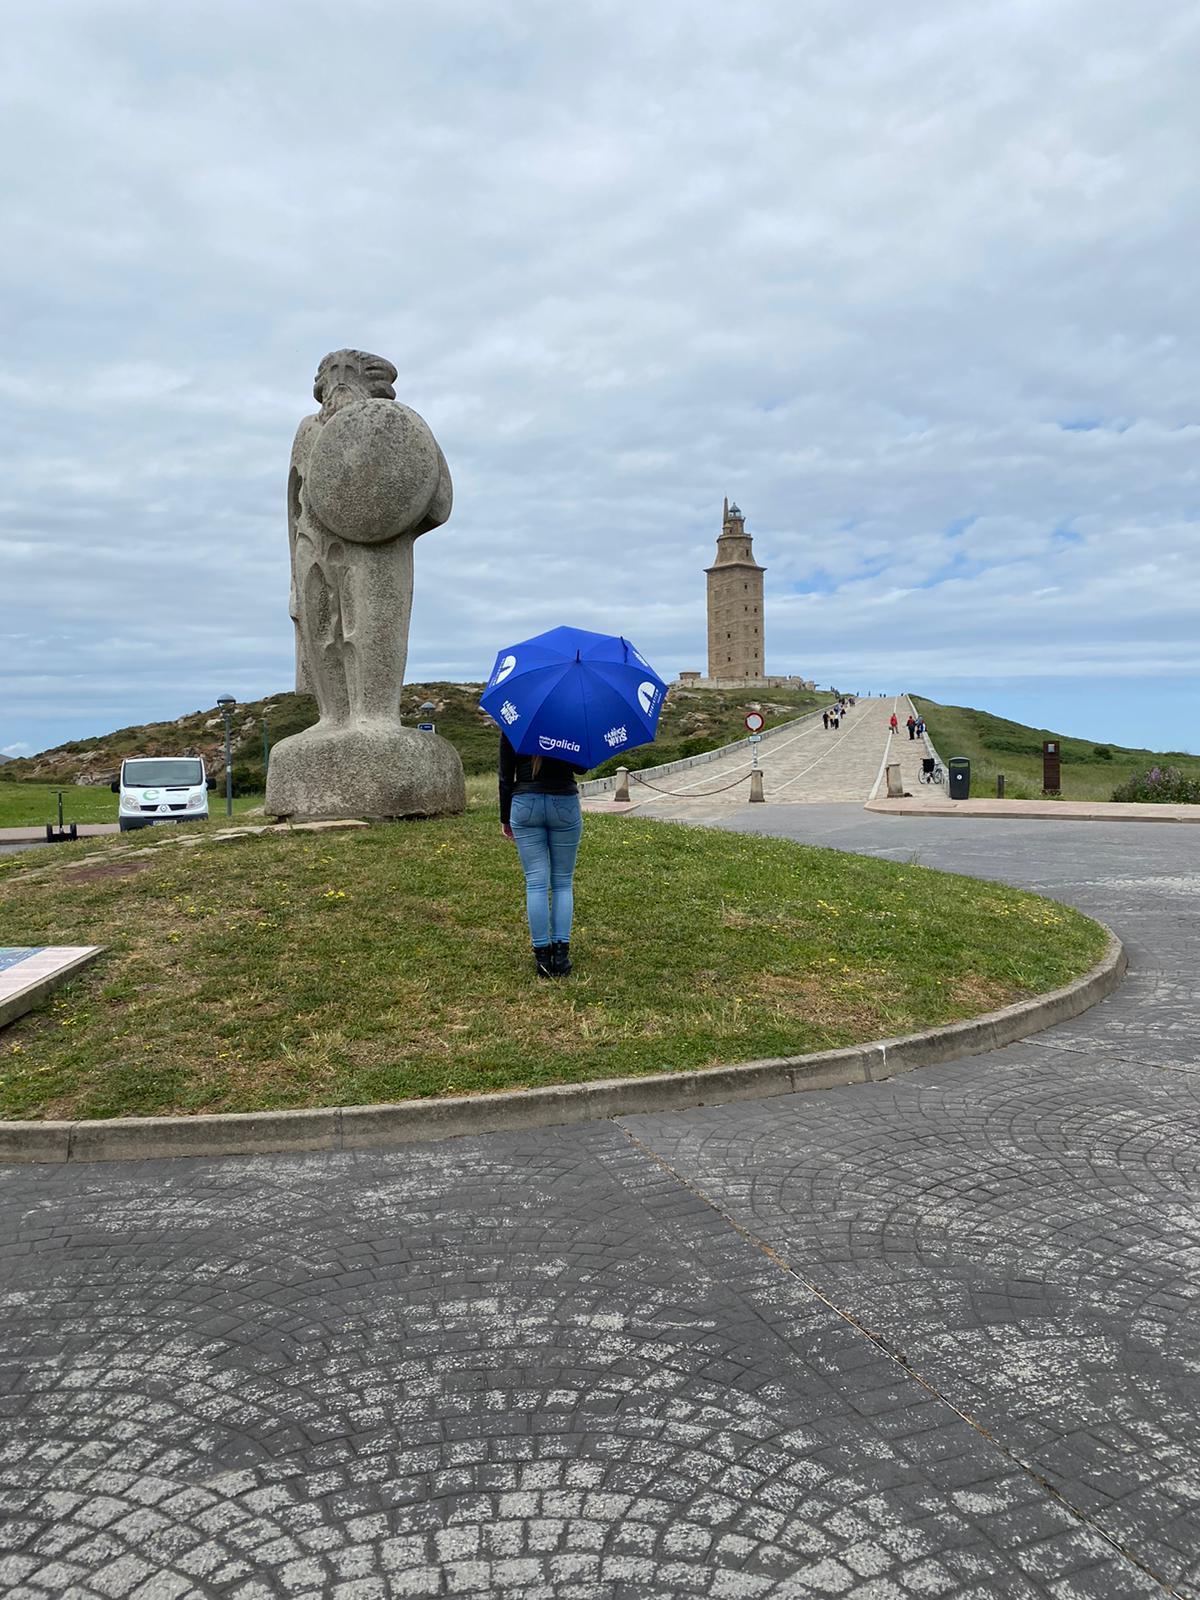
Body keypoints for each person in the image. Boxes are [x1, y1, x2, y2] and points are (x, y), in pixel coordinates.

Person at [499, 734, 586, 978]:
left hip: (525, 804)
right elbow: (581, 767)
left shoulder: (515, 723)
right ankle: (561, 955)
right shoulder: (570, 721)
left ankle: (542, 958)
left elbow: (506, 775)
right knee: (562, 883)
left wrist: (505, 818)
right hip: (564, 804)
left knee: (535, 883)